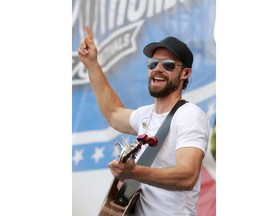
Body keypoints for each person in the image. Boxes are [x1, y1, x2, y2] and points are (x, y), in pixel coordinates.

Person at [78, 25, 210, 216]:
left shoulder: (189, 115)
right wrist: (92, 65)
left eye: (168, 65)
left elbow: (187, 176)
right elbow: (114, 114)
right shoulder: (146, 115)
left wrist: (134, 173)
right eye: (153, 64)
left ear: (185, 74)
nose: (158, 69)